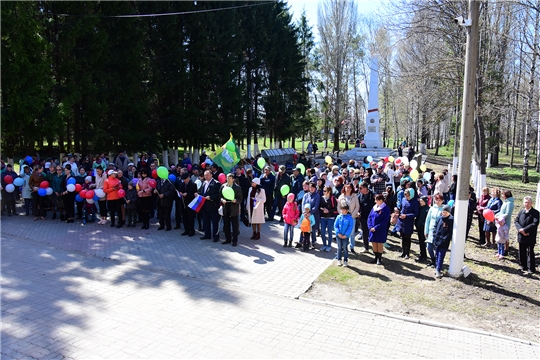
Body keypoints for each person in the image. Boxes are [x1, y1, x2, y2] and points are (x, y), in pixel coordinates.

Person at [514, 196, 539, 274]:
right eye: (525, 202)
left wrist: (525, 230)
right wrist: (520, 230)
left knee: (530, 252)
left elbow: (535, 223)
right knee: (521, 251)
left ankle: (531, 268)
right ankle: (523, 266)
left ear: (531, 203)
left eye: (528, 202)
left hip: (530, 235)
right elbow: (516, 221)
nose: (526, 204)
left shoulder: (535, 213)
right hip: (521, 235)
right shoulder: (521, 211)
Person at [220, 173, 243, 246]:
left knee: (234, 226)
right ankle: (228, 239)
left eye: (230, 178)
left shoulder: (237, 188)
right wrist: (222, 200)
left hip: (234, 209)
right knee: (226, 225)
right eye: (227, 178)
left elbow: (240, 198)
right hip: (226, 208)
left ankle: (234, 240)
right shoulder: (223, 186)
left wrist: (236, 200)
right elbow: (220, 195)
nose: (228, 179)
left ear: (233, 179)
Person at [396, 188, 419, 259]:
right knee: (402, 237)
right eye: (406, 196)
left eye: (408, 196)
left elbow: (415, 213)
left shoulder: (415, 202)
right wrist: (397, 210)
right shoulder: (403, 199)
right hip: (401, 221)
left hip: (408, 221)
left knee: (407, 238)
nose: (407, 197)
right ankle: (403, 252)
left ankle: (407, 253)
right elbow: (401, 208)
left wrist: (406, 216)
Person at [368, 194, 391, 265]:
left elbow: (385, 221)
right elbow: (369, 217)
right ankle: (375, 257)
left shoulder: (385, 209)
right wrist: (370, 226)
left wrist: (376, 227)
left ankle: (379, 258)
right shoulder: (374, 208)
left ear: (381, 200)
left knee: (379, 243)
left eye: (376, 200)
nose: (375, 201)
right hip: (372, 229)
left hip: (380, 229)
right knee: (374, 243)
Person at [432, 205, 454, 278]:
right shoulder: (440, 218)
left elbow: (450, 232)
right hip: (437, 239)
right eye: (443, 212)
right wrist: (434, 234)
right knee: (436, 254)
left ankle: (438, 269)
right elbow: (435, 226)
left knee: (441, 255)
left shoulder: (451, 220)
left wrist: (445, 238)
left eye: (445, 212)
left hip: (444, 241)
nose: (444, 214)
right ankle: (436, 267)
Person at [199, 170, 221, 241]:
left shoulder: (216, 183)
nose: (206, 177)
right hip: (205, 206)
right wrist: (198, 194)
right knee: (206, 221)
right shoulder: (204, 183)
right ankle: (207, 234)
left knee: (214, 222)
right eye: (205, 175)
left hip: (213, 205)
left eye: (207, 175)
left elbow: (218, 195)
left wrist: (211, 197)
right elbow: (202, 192)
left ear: (211, 175)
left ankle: (216, 236)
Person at [338, 183, 360, 254]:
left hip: (351, 216)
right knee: (343, 232)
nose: (348, 189)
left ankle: (352, 246)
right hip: (343, 216)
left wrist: (353, 214)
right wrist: (341, 214)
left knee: (352, 233)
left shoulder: (355, 196)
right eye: (347, 187)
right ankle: (343, 247)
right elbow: (338, 206)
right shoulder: (341, 196)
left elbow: (357, 206)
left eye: (350, 188)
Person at [358, 182, 376, 253]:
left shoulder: (373, 195)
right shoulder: (359, 196)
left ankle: (375, 248)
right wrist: (358, 212)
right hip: (363, 217)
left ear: (366, 188)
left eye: (360, 188)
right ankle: (366, 247)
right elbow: (358, 206)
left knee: (372, 233)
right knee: (364, 233)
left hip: (372, 217)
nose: (359, 189)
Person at [302, 182, 321, 248]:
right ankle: (304, 241)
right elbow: (303, 204)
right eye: (310, 187)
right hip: (306, 215)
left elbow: (316, 206)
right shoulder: (306, 195)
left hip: (314, 215)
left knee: (313, 229)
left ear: (315, 188)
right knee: (305, 229)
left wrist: (310, 213)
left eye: (313, 187)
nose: (311, 189)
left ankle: (313, 242)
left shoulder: (317, 196)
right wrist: (304, 212)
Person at [320, 186, 338, 252]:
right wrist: (323, 209)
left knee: (330, 232)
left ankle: (329, 246)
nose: (323, 192)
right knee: (322, 232)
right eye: (323, 191)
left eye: (325, 191)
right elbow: (320, 207)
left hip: (330, 217)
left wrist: (328, 210)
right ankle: (324, 244)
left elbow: (335, 209)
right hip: (323, 217)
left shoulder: (332, 198)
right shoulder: (322, 198)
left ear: (329, 191)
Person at [499, 190, 515, 255]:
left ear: (506, 195)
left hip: (506, 222)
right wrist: (497, 216)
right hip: (500, 221)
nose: (502, 196)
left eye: (502, 194)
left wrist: (501, 217)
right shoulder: (505, 202)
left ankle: (506, 249)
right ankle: (500, 250)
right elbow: (501, 212)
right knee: (501, 235)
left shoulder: (510, 203)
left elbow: (508, 214)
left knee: (506, 236)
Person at [415, 196, 430, 262]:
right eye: (420, 201)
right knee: (420, 242)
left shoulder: (428, 209)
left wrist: (422, 225)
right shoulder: (420, 208)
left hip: (423, 228)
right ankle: (422, 255)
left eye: (422, 201)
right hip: (419, 227)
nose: (420, 203)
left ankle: (423, 256)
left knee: (423, 243)